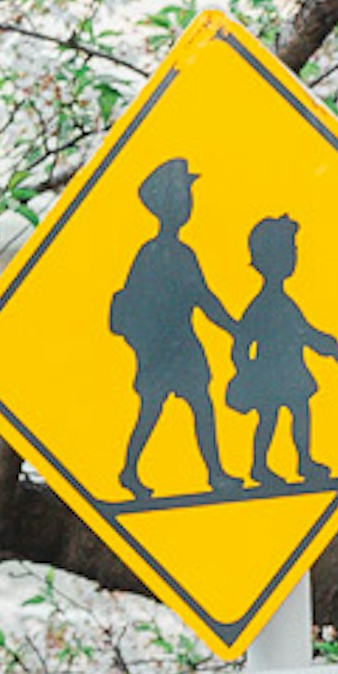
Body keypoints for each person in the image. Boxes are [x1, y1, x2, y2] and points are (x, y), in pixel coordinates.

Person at [109, 159, 234, 497]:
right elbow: (199, 299)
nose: (188, 205)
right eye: (183, 198)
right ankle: (130, 470)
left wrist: (233, 328)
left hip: (182, 345)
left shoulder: (180, 253)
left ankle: (215, 473)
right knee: (153, 410)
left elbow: (204, 299)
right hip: (162, 349)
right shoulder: (153, 255)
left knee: (200, 405)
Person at [226, 210, 338, 486]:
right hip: (271, 375)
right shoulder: (263, 304)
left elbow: (305, 333)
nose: (293, 257)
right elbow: (242, 341)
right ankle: (260, 465)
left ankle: (303, 460)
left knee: (299, 412)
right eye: (288, 251)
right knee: (270, 419)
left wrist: (331, 348)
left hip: (291, 372)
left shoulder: (283, 302)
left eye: (293, 250)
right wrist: (247, 371)